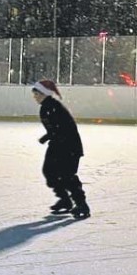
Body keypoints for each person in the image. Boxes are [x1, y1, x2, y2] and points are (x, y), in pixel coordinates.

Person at [32, 79, 90, 219]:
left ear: (44, 93)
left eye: (36, 94)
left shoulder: (53, 107)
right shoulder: (46, 107)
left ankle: (81, 204)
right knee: (49, 171)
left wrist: (49, 138)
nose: (34, 97)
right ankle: (65, 200)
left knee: (67, 175)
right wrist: (48, 137)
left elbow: (65, 128)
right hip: (58, 144)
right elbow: (56, 129)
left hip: (69, 146)